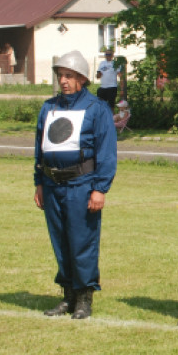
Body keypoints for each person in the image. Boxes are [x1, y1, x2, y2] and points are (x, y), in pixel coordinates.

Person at [35, 50, 117, 320]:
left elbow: (106, 152)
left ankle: (84, 297)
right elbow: (40, 147)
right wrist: (39, 183)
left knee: (82, 241)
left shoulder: (97, 109)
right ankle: (68, 295)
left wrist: (99, 188)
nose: (64, 81)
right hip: (53, 184)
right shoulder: (49, 107)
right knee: (60, 241)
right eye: (61, 76)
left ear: (82, 78)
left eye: (69, 76)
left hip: (82, 184)